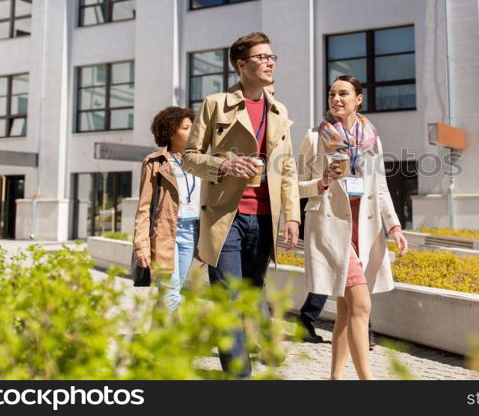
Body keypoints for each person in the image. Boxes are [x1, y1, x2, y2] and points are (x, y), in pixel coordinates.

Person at [182, 32, 300, 377]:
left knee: (251, 297)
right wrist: (224, 165)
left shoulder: (279, 110)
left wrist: (292, 217)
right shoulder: (215, 104)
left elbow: (288, 167)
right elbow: (189, 157)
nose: (269, 62)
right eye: (261, 57)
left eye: (271, 56)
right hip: (225, 217)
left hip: (264, 219)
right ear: (241, 65)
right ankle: (239, 378)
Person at [298, 75, 408, 380]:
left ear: (358, 99)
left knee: (346, 312)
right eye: (332, 94)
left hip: (365, 228)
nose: (336, 99)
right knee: (361, 304)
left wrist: (394, 226)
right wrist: (321, 182)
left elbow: (381, 187)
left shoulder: (372, 137)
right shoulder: (314, 138)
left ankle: (335, 378)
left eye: (343, 94)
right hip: (332, 230)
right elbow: (295, 186)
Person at [133, 107, 200, 313]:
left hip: (192, 230)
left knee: (173, 290)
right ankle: (172, 341)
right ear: (171, 132)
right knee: (170, 292)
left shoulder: (201, 160)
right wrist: (141, 246)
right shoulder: (154, 162)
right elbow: (144, 208)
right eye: (186, 128)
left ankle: (158, 339)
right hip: (165, 233)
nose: (192, 131)